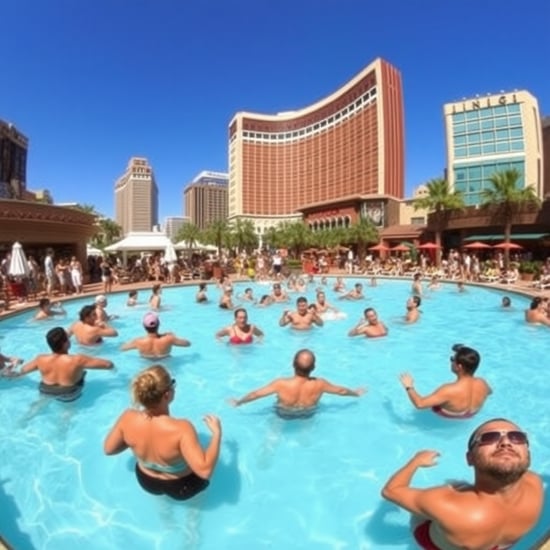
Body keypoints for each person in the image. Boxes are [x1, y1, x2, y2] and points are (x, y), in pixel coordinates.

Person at [381, 417, 543, 550]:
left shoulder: (445, 503)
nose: (506, 443)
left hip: (437, 543)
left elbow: (390, 491)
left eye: (517, 437)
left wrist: (415, 461)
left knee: (423, 510)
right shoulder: (536, 484)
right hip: (497, 545)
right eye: (489, 438)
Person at [104, 365, 222, 500]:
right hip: (182, 486)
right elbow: (205, 471)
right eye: (172, 383)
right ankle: (193, 517)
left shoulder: (127, 418)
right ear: (167, 395)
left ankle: (165, 514)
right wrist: (217, 434)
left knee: (161, 502)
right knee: (197, 502)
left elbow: (109, 449)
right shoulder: (182, 428)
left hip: (147, 481)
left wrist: (134, 440)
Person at [229, 349, 365, 416]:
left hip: (284, 414)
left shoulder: (281, 383)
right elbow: (341, 391)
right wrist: (356, 393)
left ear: (293, 364)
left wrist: (239, 402)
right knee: (306, 433)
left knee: (274, 430)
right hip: (307, 414)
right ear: (313, 367)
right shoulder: (320, 383)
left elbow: (255, 394)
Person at [7, 327, 113, 401]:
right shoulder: (78, 359)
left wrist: (11, 372)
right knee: (67, 415)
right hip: (69, 393)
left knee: (38, 406)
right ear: (65, 343)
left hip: (45, 390)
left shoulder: (40, 359)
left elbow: (23, 371)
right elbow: (108, 365)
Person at [399, 344, 492, 418]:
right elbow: (489, 392)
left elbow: (420, 404)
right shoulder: (483, 383)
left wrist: (409, 386)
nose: (451, 362)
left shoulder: (449, 390)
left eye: (452, 359)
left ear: (459, 367)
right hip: (470, 415)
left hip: (446, 419)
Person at [121, 312, 191, 359]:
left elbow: (122, 348)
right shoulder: (169, 339)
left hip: (146, 367)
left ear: (144, 326)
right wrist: (172, 336)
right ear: (159, 325)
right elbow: (187, 344)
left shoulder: (138, 341)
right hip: (166, 366)